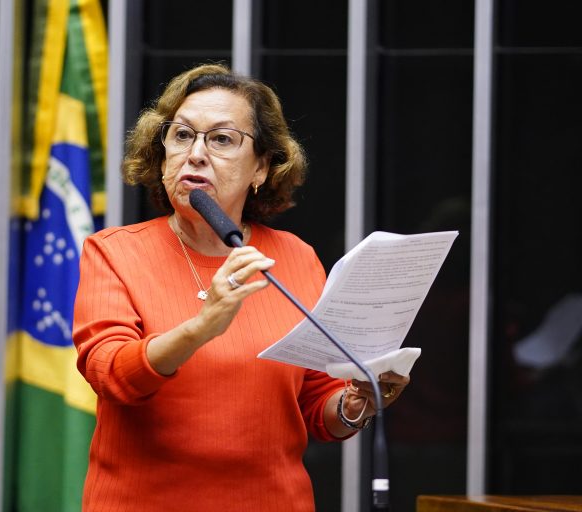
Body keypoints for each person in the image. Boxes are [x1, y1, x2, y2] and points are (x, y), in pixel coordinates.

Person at [73, 63, 410, 511]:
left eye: (222, 139)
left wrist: (357, 400)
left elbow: (316, 406)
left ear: (262, 168)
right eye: (181, 135)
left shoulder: (293, 257)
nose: (195, 154)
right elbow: (111, 374)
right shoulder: (115, 252)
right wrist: (201, 326)